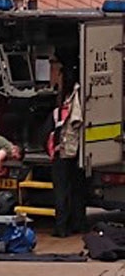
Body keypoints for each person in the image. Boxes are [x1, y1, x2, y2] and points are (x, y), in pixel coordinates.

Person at [47, 64, 88, 238]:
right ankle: (78, 223)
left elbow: (57, 128)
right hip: (77, 152)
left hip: (63, 152)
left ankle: (61, 228)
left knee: (61, 191)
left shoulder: (63, 105)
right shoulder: (78, 97)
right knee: (77, 189)